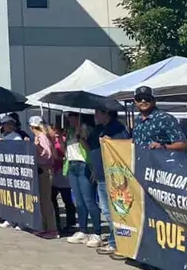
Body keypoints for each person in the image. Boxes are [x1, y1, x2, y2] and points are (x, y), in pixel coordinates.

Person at [86, 109, 129, 255]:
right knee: (106, 209)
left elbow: (124, 146)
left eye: (98, 113)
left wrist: (110, 141)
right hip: (100, 174)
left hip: (113, 175)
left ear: (107, 114)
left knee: (115, 210)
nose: (95, 116)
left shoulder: (117, 128)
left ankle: (116, 242)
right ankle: (113, 240)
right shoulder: (98, 129)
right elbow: (92, 148)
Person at [62, 112, 101, 247]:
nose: (69, 119)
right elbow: (66, 150)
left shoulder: (87, 129)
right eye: (68, 116)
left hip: (84, 164)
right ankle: (82, 230)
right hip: (72, 164)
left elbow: (90, 149)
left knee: (89, 200)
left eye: (71, 116)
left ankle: (97, 232)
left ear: (78, 116)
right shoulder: (70, 131)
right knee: (78, 201)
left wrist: (81, 137)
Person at [29, 116, 60, 239]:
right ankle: (45, 227)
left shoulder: (42, 137)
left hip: (44, 170)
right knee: (42, 200)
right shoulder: (42, 136)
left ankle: (52, 229)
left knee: (46, 201)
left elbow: (47, 154)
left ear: (32, 127)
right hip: (42, 170)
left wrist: (36, 147)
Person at [131, 86, 187, 151]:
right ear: (135, 101)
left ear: (154, 100)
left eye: (147, 98)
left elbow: (183, 145)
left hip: (161, 160)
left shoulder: (165, 118)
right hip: (140, 160)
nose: (143, 101)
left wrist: (163, 147)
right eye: (139, 98)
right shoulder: (137, 119)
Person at [49, 124, 77, 233]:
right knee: (52, 199)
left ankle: (71, 223)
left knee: (67, 200)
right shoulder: (50, 141)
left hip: (63, 173)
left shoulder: (63, 140)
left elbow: (63, 155)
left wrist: (59, 141)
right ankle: (56, 222)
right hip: (54, 174)